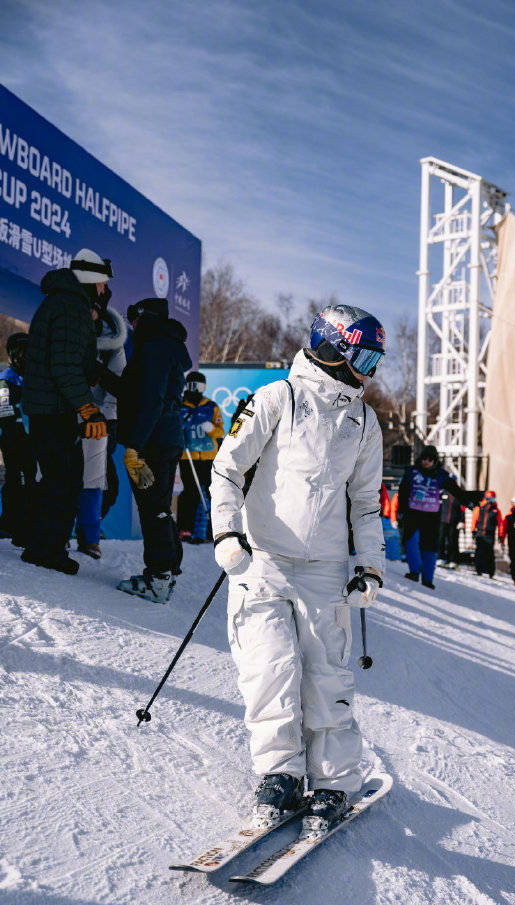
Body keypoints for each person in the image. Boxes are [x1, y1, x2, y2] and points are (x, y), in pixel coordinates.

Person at [211, 303, 386, 828]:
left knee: (325, 677)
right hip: (261, 559)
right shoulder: (277, 398)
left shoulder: (362, 421)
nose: (369, 370)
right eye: (364, 356)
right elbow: (227, 469)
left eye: (376, 360)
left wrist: (369, 566)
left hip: (324, 568)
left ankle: (333, 782)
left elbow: (367, 502)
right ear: (333, 347)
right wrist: (226, 531)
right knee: (268, 670)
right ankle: (279, 775)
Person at [21, 248, 109, 575]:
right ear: (88, 280)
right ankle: (48, 551)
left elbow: (70, 357)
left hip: (47, 407)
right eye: (101, 284)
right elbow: (65, 365)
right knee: (66, 480)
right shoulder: (71, 306)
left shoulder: (63, 302)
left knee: (57, 478)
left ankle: (39, 545)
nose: (103, 291)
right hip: (54, 409)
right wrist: (88, 408)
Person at [116, 298, 191, 603]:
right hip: (164, 437)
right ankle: (167, 570)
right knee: (157, 504)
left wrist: (134, 446)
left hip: (154, 441)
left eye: (133, 318)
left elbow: (151, 401)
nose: (131, 325)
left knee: (154, 507)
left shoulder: (155, 347)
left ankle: (159, 577)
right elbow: (138, 392)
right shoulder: (163, 346)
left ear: (144, 318)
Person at [75, 304, 127, 558]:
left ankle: (88, 534)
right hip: (67, 414)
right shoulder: (67, 333)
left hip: (100, 421)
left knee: (99, 481)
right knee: (60, 476)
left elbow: (119, 386)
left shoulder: (112, 347)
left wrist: (102, 417)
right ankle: (59, 531)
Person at [397, 445, 465, 589]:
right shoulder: (411, 472)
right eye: (424, 459)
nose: (426, 462)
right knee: (410, 542)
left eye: (430, 459)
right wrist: (401, 511)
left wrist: (468, 499)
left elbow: (456, 490)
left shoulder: (441, 475)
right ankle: (414, 571)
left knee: (430, 547)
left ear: (435, 461)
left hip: (432, 516)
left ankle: (428, 578)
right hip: (412, 513)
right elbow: (402, 492)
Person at [0, 333, 37, 546]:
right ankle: (10, 524)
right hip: (15, 439)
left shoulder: (32, 377)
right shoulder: (6, 379)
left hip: (32, 438)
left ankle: (24, 523)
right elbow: (5, 411)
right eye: (22, 352)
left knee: (30, 480)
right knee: (17, 479)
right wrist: (16, 434)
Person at [179, 371, 225, 543]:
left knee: (212, 491)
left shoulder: (211, 407)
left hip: (208, 456)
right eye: (192, 386)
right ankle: (186, 528)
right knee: (190, 492)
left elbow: (220, 431)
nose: (195, 390)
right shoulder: (181, 406)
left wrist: (211, 429)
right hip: (187, 456)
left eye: (199, 386)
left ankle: (213, 529)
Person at [471, 490, 502, 577]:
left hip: (490, 534)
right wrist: (473, 530)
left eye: (492, 498)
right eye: (489, 498)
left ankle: (490, 572)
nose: (490, 500)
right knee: (479, 552)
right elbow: (474, 519)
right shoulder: (480, 507)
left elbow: (500, 524)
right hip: (480, 533)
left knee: (489, 553)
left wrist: (500, 535)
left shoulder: (496, 510)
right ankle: (478, 570)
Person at [438, 490, 464, 568]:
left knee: (452, 541)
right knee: (441, 540)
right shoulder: (442, 494)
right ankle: (440, 558)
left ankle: (452, 560)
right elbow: (438, 507)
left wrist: (461, 521)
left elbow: (462, 510)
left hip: (454, 522)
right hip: (443, 521)